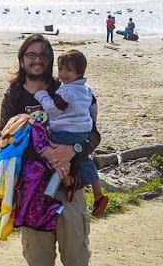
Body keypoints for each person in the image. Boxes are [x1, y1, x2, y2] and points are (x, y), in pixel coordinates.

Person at [1, 34, 102, 266]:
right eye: (30, 54)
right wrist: (43, 153)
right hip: (31, 193)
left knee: (76, 261)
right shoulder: (14, 96)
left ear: (51, 60)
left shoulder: (69, 89)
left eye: (43, 54)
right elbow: (4, 139)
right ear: (22, 59)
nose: (37, 59)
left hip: (69, 188)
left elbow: (93, 133)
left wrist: (72, 150)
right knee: (40, 264)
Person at [33, 48, 108, 217]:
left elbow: (53, 109)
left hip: (64, 133)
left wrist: (41, 95)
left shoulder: (66, 91)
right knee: (84, 160)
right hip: (82, 133)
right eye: (60, 69)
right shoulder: (87, 90)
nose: (63, 74)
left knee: (51, 152)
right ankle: (97, 193)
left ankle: (53, 191)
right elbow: (93, 108)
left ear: (79, 72)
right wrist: (87, 123)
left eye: (69, 70)